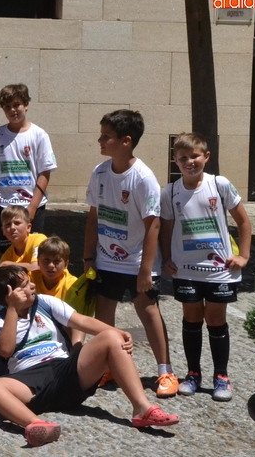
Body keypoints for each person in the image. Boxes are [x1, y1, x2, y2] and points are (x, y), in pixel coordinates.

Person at [0, 265, 179, 447]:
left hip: (63, 370)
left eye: (29, 281)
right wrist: (13, 309)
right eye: (24, 285)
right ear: (10, 295)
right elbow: (5, 350)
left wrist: (118, 332)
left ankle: (142, 408)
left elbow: (81, 321)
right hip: (28, 380)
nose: (32, 285)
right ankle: (37, 425)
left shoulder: (46, 303)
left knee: (110, 337)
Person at [83, 109, 177, 396]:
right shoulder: (99, 172)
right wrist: (88, 258)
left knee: (148, 313)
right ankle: (107, 367)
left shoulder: (143, 178)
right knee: (103, 316)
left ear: (126, 141)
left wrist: (146, 270)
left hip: (137, 263)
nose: (100, 140)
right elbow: (93, 218)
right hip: (106, 260)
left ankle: (165, 372)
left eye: (106, 136)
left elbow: (153, 226)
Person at [159, 132, 251, 401]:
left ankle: (221, 376)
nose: (190, 162)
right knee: (191, 319)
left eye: (195, 156)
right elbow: (166, 229)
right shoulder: (170, 192)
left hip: (219, 270)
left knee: (216, 320)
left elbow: (244, 222)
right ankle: (192, 374)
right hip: (185, 269)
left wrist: (244, 256)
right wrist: (167, 258)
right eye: (183, 158)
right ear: (175, 160)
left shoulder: (219, 185)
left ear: (206, 157)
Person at [0, 84, 57, 245]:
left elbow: (45, 172)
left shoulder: (39, 134)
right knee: (7, 252)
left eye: (16, 105)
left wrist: (33, 207)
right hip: (3, 205)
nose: (12, 110)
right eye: (7, 107)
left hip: (30, 205)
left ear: (26, 105)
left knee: (32, 250)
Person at [0, 205, 48, 272]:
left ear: (28, 227)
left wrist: (8, 265)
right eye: (8, 224)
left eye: (17, 223)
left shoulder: (39, 240)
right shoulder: (7, 256)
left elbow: (37, 266)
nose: (12, 227)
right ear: (3, 231)